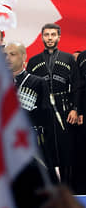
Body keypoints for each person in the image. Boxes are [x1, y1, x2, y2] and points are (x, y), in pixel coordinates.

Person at [27, 23, 83, 187]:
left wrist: (75, 109)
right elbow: (29, 87)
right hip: (43, 110)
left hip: (64, 109)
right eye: (47, 35)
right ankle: (49, 188)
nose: (50, 38)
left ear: (59, 37)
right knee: (45, 148)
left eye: (53, 34)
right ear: (42, 37)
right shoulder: (33, 61)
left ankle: (68, 189)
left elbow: (77, 85)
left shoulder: (68, 59)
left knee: (66, 150)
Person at [5, 42, 53, 170]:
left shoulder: (38, 82)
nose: (7, 58)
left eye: (12, 54)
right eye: (5, 55)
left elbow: (46, 114)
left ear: (24, 57)